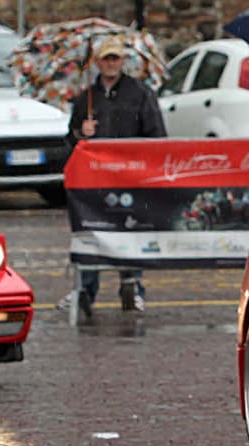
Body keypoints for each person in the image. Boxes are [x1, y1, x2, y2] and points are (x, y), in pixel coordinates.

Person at [57, 35, 166, 318]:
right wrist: (83, 132)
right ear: (97, 63)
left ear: (122, 61)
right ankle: (86, 291)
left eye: (115, 58)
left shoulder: (140, 93)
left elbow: (157, 136)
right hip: (94, 182)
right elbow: (70, 141)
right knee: (92, 233)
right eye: (106, 59)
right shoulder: (86, 98)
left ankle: (133, 288)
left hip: (131, 178)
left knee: (130, 231)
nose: (111, 64)